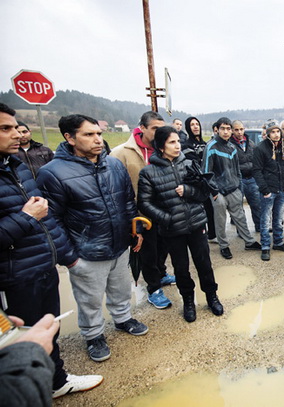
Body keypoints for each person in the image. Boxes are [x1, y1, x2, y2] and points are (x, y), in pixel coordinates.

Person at [0, 103, 103, 398]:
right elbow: (34, 215)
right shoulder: (44, 170)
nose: (16, 134)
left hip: (41, 264)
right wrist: (25, 218)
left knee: (48, 329)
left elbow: (47, 217)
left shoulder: (16, 167)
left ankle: (56, 381)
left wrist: (64, 255)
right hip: (14, 274)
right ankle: (26, 393)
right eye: (5, 128)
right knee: (21, 338)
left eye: (14, 126)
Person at [37, 114, 148, 363]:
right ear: (69, 138)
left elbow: (128, 201)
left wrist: (135, 231)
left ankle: (122, 319)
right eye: (89, 135)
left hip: (119, 244)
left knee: (120, 288)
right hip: (86, 251)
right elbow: (49, 220)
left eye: (98, 133)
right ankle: (93, 334)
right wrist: (70, 257)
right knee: (89, 299)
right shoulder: (52, 173)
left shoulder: (114, 164)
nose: (98, 140)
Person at [138, 126, 223, 322]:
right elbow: (144, 203)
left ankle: (212, 297)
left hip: (196, 224)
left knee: (204, 264)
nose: (177, 146)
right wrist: (166, 219)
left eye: (177, 141)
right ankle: (188, 302)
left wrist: (188, 191)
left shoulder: (190, 164)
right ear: (160, 146)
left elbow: (204, 192)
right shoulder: (148, 173)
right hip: (172, 229)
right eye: (171, 142)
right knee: (181, 268)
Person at [111, 111, 176, 310]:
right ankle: (154, 288)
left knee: (164, 247)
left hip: (165, 210)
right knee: (147, 252)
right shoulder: (121, 153)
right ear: (142, 128)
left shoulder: (165, 149)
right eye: (155, 128)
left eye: (161, 128)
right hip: (141, 214)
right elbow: (115, 189)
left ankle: (162, 274)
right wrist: (131, 217)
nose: (159, 132)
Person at [204, 117, 261, 259]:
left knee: (240, 217)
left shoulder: (232, 148)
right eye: (223, 128)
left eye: (228, 129)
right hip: (219, 192)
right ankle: (224, 246)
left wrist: (238, 185)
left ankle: (249, 242)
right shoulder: (211, 147)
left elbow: (237, 170)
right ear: (217, 129)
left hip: (234, 188)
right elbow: (206, 172)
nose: (226, 131)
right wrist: (215, 192)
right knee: (220, 221)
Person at [252, 120, 284, 261]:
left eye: (278, 131)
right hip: (268, 191)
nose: (276, 135)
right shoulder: (260, 148)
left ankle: (278, 242)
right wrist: (264, 190)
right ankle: (265, 246)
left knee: (279, 219)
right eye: (273, 132)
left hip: (281, 189)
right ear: (268, 133)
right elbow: (257, 171)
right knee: (265, 220)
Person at [182, 116, 216, 241]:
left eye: (197, 124)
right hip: (197, 183)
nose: (196, 127)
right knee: (200, 212)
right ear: (188, 128)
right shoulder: (186, 146)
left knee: (211, 210)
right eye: (192, 125)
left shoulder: (205, 144)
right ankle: (203, 235)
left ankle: (213, 234)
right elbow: (194, 165)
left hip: (209, 182)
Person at [230, 120, 261, 232]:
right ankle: (242, 231)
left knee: (257, 205)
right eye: (236, 130)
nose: (239, 132)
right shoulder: (229, 146)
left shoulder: (251, 143)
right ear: (232, 131)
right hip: (238, 180)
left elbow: (256, 161)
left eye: (241, 129)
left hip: (252, 179)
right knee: (238, 208)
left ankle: (259, 227)